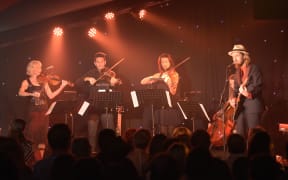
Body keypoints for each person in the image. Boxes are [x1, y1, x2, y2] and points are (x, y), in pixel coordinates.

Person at [75, 52, 122, 152]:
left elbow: (119, 83)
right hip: (93, 107)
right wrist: (87, 79)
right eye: (98, 62)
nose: (100, 64)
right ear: (94, 63)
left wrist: (115, 83)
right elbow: (77, 82)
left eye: (102, 62)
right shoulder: (91, 73)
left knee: (109, 132)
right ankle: (92, 152)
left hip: (106, 106)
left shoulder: (110, 73)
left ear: (105, 62)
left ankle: (110, 152)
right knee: (92, 133)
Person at [18, 60, 68, 150]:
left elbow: (51, 95)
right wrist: (32, 94)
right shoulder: (26, 82)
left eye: (40, 67)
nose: (40, 69)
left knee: (42, 136)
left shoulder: (44, 82)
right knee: (31, 135)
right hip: (33, 112)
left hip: (44, 111)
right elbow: (20, 93)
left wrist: (62, 86)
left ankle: (40, 159)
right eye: (38, 67)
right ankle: (30, 157)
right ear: (33, 68)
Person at [227, 44, 264, 139]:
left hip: (253, 105)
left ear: (244, 56)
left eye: (237, 56)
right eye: (233, 56)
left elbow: (259, 85)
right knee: (240, 135)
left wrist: (248, 93)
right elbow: (235, 90)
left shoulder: (254, 69)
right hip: (240, 108)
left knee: (254, 136)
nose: (234, 59)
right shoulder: (237, 73)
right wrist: (233, 98)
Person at [140, 53, 180, 136]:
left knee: (170, 133)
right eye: (162, 62)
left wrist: (167, 80)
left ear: (170, 62)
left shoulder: (175, 74)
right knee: (162, 132)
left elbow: (173, 92)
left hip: (170, 107)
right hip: (160, 107)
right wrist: (153, 77)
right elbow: (143, 82)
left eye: (166, 61)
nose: (164, 64)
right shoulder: (159, 74)